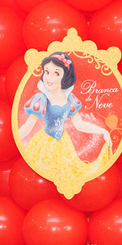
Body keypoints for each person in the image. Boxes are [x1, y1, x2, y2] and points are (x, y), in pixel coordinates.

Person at [17, 52, 115, 186]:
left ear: (64, 77)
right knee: (40, 179)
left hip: (64, 146)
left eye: (56, 73)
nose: (49, 77)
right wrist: (14, 140)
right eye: (47, 71)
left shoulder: (70, 99)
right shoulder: (41, 98)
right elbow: (28, 126)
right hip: (44, 145)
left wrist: (103, 131)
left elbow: (79, 124)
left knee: (67, 176)